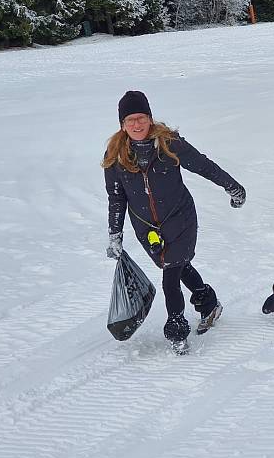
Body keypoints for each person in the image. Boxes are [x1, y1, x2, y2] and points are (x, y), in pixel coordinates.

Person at [103, 91, 245, 353]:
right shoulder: (116, 154)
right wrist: (115, 234)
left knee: (170, 276)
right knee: (177, 266)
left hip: (180, 219)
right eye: (130, 120)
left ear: (150, 118)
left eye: (141, 118)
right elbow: (116, 197)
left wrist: (232, 186)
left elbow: (203, 165)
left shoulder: (169, 144)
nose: (136, 124)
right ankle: (208, 302)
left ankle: (176, 329)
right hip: (146, 228)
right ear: (122, 124)